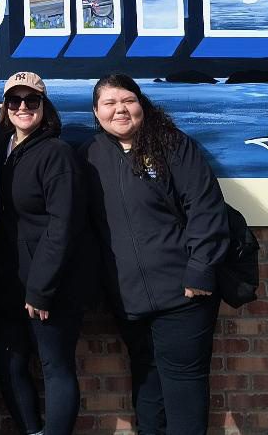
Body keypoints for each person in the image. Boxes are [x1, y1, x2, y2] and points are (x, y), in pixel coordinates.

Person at [81, 74, 230, 435]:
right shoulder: (90, 156)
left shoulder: (172, 146)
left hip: (183, 297)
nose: (120, 109)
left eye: (128, 100)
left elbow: (206, 211)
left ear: (141, 104)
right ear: (96, 112)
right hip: (129, 302)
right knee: (147, 390)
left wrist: (199, 272)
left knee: (183, 392)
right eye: (110, 103)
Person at [0, 71, 92, 435]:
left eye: (31, 101)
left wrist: (42, 288)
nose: (22, 107)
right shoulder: (3, 150)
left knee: (55, 366)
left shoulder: (57, 154)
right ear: (4, 107)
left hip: (49, 286)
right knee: (9, 362)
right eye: (15, 101)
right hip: (9, 284)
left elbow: (63, 227)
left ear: (44, 107)